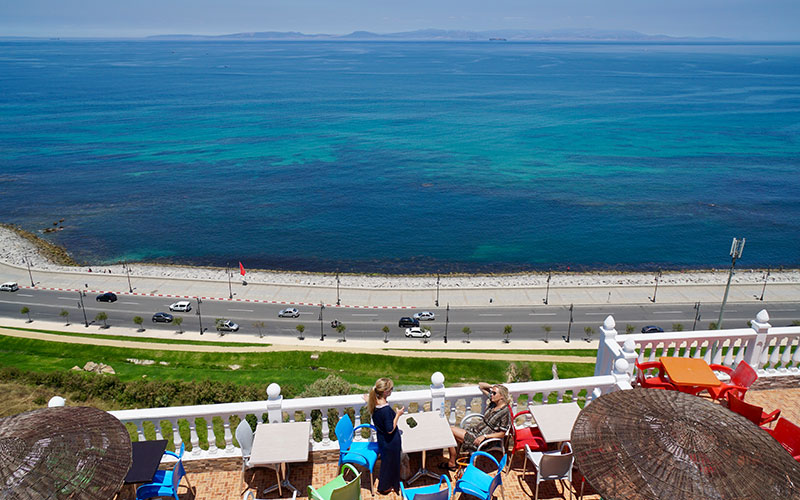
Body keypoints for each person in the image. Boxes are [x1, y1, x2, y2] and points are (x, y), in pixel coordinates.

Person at [439, 382, 511, 471]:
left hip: (483, 440)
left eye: (494, 393)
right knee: (453, 434)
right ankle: (453, 462)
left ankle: (452, 463)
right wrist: (493, 387)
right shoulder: (494, 403)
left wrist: (485, 436)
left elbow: (502, 434)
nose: (491, 394)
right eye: (491, 392)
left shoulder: (505, 412)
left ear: (502, 396)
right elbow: (481, 385)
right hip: (475, 431)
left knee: (450, 431)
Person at [368, 377, 404, 494]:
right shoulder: (386, 409)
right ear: (385, 392)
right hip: (390, 441)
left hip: (383, 440)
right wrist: (398, 415)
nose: (392, 390)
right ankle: (383, 487)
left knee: (386, 462)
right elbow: (390, 429)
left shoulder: (374, 403)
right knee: (390, 464)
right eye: (391, 389)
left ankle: (386, 485)